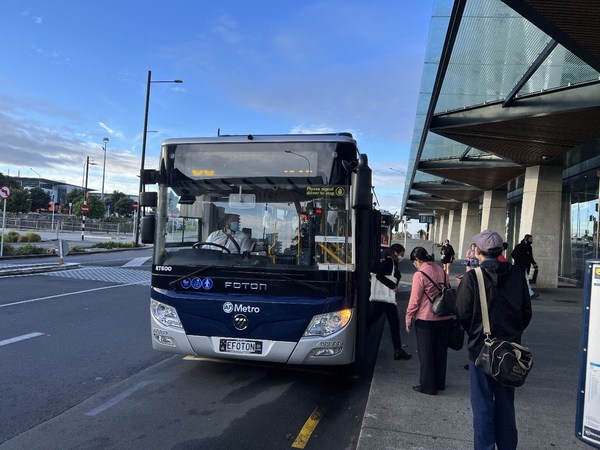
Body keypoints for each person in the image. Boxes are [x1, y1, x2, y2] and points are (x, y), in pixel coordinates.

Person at [455, 230, 532, 450]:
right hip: (510, 351)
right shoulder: (518, 274)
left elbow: (462, 312)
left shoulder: (473, 277)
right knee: (506, 405)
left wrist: (477, 333)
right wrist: (512, 333)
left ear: (477, 251)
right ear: (501, 250)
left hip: (481, 350)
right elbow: (526, 312)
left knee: (482, 407)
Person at [405, 246, 453, 395]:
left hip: (426, 319)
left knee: (426, 354)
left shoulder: (419, 274)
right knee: (440, 353)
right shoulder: (441, 270)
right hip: (444, 316)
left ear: (418, 260)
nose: (415, 264)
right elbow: (448, 289)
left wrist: (409, 317)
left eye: (415, 262)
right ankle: (439, 383)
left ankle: (427, 386)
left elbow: (415, 300)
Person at [370, 244, 411, 361]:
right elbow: (379, 276)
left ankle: (398, 350)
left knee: (391, 323)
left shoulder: (391, 262)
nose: (403, 256)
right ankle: (398, 350)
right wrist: (393, 286)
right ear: (397, 252)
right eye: (402, 254)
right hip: (385, 298)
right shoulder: (389, 261)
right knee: (390, 323)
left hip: (386, 299)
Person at [511, 234, 538, 299]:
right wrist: (519, 261)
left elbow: (530, 257)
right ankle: (530, 293)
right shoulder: (519, 246)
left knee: (524, 280)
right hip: (520, 266)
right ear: (526, 239)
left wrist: (534, 263)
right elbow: (513, 254)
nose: (532, 241)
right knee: (525, 280)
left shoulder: (529, 247)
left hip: (526, 266)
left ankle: (524, 293)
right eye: (530, 239)